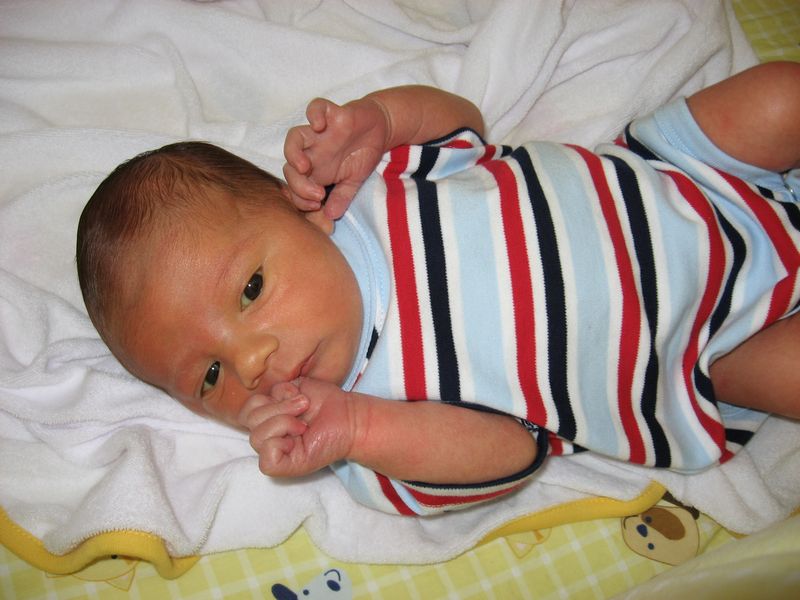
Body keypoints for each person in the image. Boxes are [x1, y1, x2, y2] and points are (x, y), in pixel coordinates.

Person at [77, 62, 800, 516]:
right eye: (209, 377)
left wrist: (383, 118)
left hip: (681, 176)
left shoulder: (372, 188)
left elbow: (463, 128)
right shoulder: (367, 434)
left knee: (781, 96)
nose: (250, 362)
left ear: (300, 211)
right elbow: (512, 454)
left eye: (251, 288)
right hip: (694, 355)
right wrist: (357, 429)